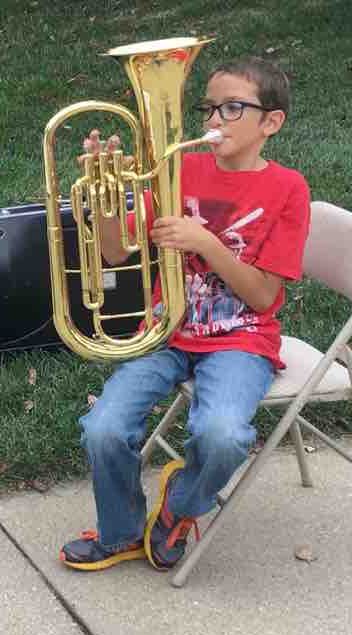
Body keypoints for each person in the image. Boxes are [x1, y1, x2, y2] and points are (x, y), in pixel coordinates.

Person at [60, 56, 311, 572]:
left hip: (241, 340)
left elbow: (263, 297)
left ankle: (180, 505)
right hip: (166, 331)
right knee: (103, 429)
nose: (214, 119)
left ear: (271, 122)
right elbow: (114, 251)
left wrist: (207, 243)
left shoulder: (288, 189)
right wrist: (105, 197)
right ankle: (121, 533)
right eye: (210, 108)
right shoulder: (182, 171)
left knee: (223, 436)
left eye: (232, 108)